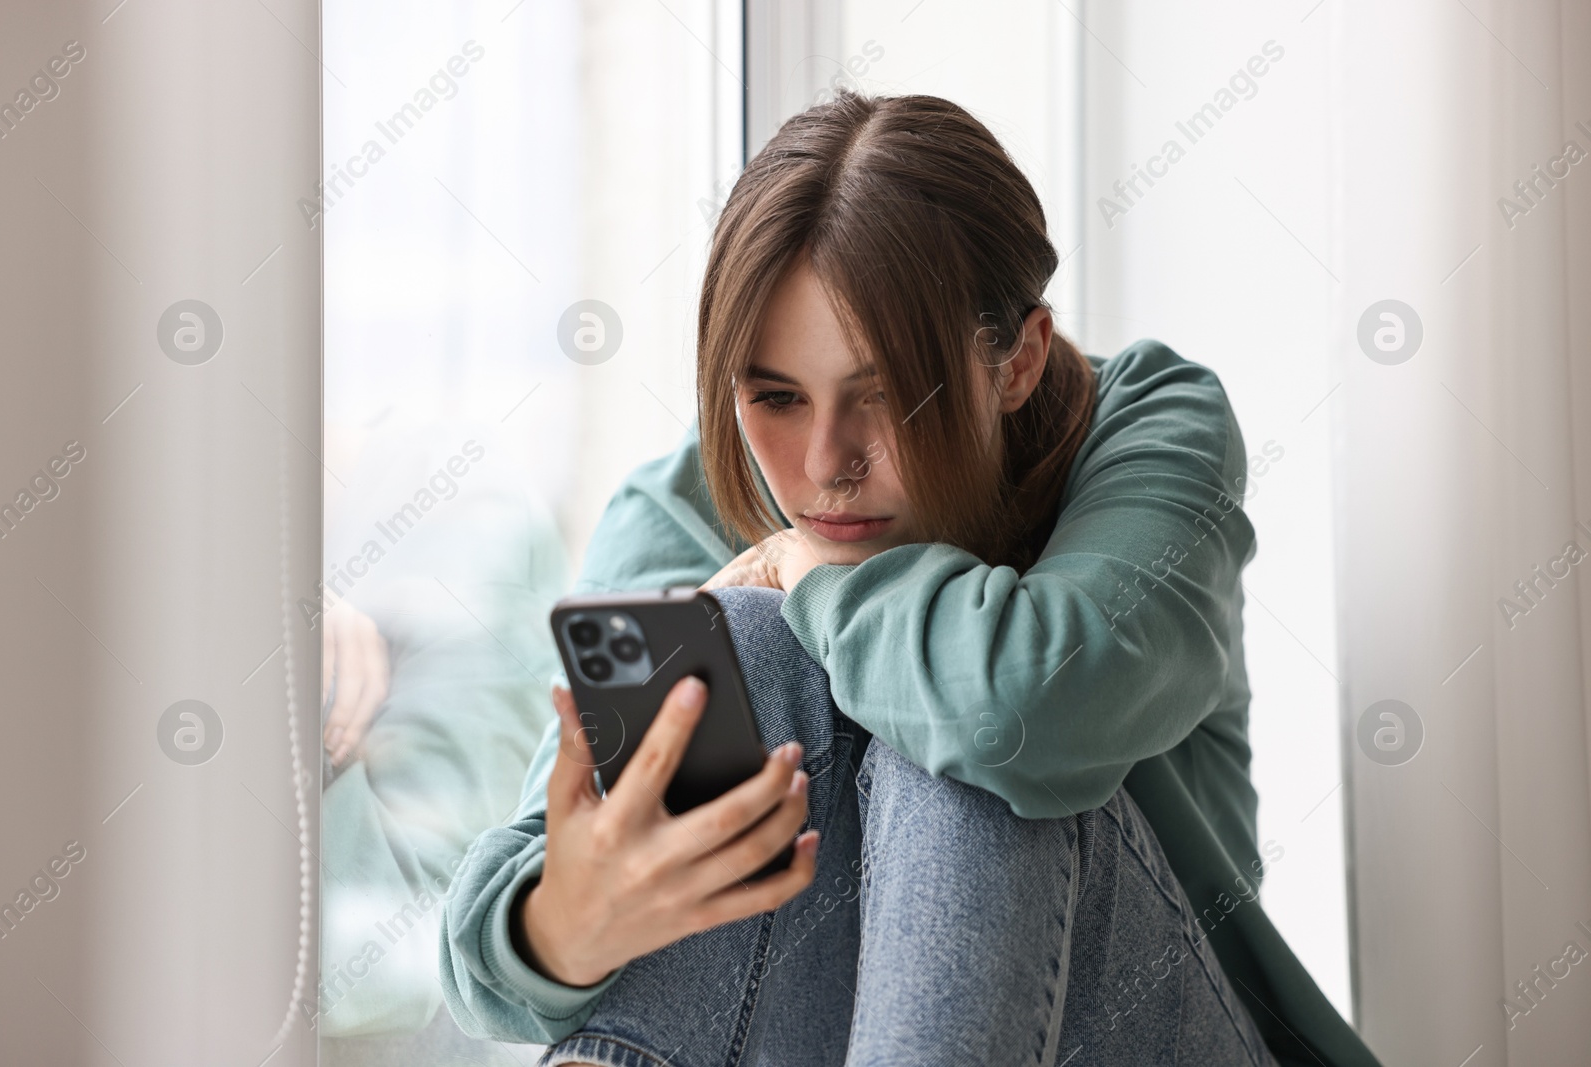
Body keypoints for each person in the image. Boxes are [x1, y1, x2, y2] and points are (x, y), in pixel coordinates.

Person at [440, 91, 1381, 1066]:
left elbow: (1021, 705)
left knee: (965, 740)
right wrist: (568, 924)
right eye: (775, 396)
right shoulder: (679, 504)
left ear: (1017, 361)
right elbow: (483, 932)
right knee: (744, 642)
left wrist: (807, 568)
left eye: (882, 393)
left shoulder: (1145, 420)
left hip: (1151, 1027)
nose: (822, 463)